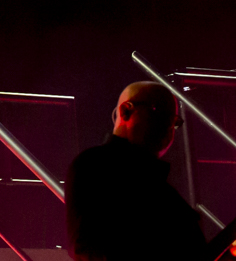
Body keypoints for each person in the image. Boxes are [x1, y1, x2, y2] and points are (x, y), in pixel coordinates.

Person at [65, 81, 206, 261]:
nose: (169, 126)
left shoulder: (165, 192)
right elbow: (86, 248)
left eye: (174, 121)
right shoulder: (93, 167)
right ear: (125, 111)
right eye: (158, 113)